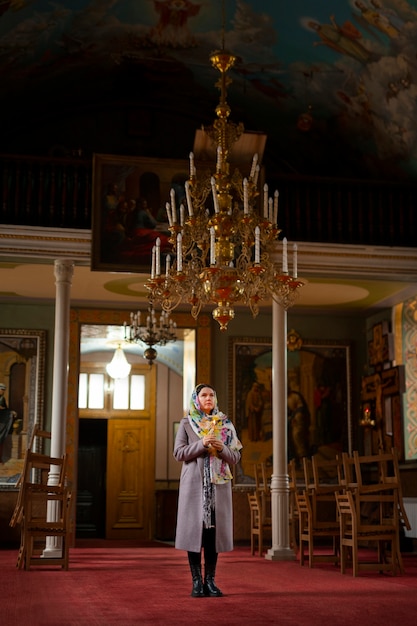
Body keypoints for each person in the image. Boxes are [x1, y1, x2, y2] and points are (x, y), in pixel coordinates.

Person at [173, 384, 242, 598]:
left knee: (213, 536)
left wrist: (222, 448)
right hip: (194, 487)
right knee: (195, 534)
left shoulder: (226, 424)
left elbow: (236, 457)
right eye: (204, 395)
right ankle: (196, 582)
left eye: (212, 394)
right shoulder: (187, 423)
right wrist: (202, 443)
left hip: (218, 487)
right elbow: (178, 453)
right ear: (197, 399)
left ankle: (210, 581)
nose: (208, 398)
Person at [0, 383, 15, 463]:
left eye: (3, 390)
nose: (2, 391)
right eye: (2, 390)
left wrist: (10, 412)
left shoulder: (2, 398)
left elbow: (5, 409)